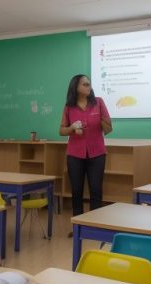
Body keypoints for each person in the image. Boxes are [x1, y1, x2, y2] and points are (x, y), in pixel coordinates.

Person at [59, 74, 112, 227]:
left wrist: (103, 121)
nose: (89, 86)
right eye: (85, 84)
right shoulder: (69, 106)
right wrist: (72, 128)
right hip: (75, 154)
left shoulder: (99, 102)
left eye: (89, 84)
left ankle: (94, 226)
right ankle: (78, 227)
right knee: (76, 191)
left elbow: (109, 129)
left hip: (97, 153)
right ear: (76, 87)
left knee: (96, 190)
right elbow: (61, 131)